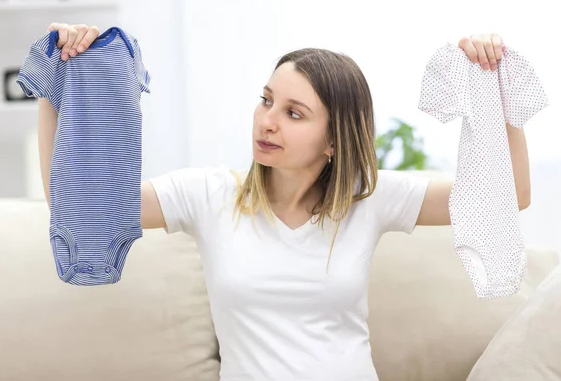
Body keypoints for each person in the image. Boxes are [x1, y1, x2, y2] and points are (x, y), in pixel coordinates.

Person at [39, 22, 531, 380]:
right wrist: (55, 85)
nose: (267, 120)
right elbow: (78, 204)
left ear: (334, 140)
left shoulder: (369, 198)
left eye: (294, 113)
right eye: (266, 99)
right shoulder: (208, 194)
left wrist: (497, 90)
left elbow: (509, 198)